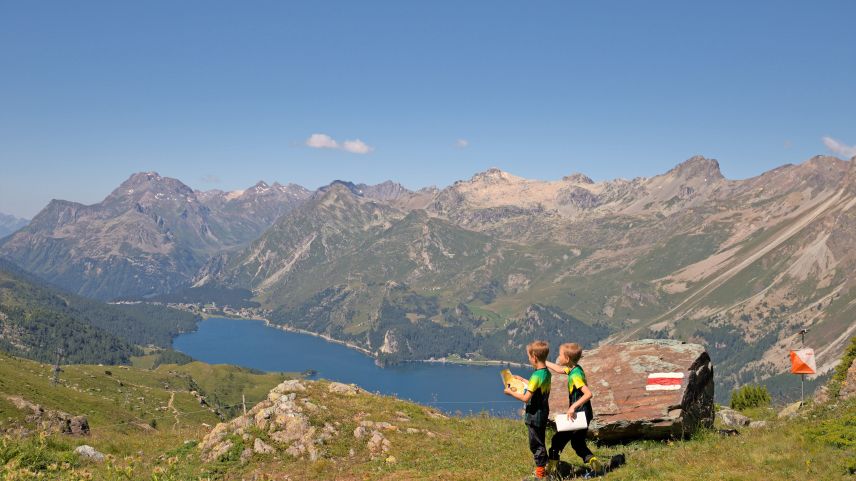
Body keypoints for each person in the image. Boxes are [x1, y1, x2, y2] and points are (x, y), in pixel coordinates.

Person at [545, 342, 602, 475]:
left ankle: (552, 471)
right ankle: (598, 467)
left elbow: (588, 394)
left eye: (560, 355)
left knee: (557, 441)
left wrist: (573, 407)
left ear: (567, 359)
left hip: (578, 415)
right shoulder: (574, 368)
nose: (558, 357)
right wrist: (544, 361)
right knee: (578, 444)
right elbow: (559, 369)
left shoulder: (575, 376)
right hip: (585, 414)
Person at [504, 340, 551, 479]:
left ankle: (540, 474)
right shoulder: (545, 373)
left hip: (534, 415)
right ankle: (544, 466)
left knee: (536, 444)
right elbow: (535, 385)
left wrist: (510, 392)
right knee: (540, 440)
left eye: (529, 357)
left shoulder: (536, 375)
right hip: (542, 412)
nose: (529, 359)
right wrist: (522, 379)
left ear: (534, 357)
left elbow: (525, 398)